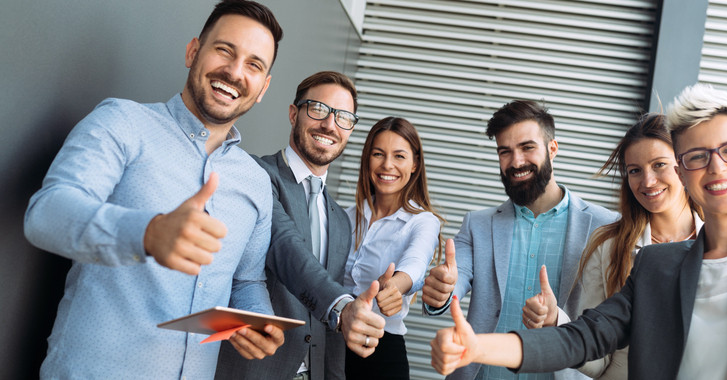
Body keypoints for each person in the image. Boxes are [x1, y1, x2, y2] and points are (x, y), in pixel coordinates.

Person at [430, 84, 727, 379]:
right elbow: (584, 338)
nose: (716, 167)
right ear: (685, 172)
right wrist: (478, 348)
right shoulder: (656, 265)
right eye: (697, 157)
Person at [23, 1, 286, 378]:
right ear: (193, 52)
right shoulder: (122, 122)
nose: (234, 71)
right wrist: (148, 233)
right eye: (224, 50)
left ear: (263, 88)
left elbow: (246, 279)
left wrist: (256, 320)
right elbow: (45, 214)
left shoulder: (256, 182)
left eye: (254, 65)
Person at [421, 100, 617, 380]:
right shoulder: (478, 225)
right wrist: (441, 290)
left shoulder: (605, 225)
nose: (516, 162)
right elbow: (454, 277)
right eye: (505, 152)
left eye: (527, 147)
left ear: (552, 149)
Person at [216, 71, 385, 380]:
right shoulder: (256, 174)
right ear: (294, 113)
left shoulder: (340, 218)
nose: (330, 125)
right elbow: (287, 249)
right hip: (256, 368)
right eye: (318, 109)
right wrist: (342, 307)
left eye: (343, 117)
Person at [521, 113, 703, 380]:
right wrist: (556, 322)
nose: (648, 181)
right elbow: (599, 361)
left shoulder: (721, 244)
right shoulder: (608, 248)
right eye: (635, 171)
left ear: (683, 165)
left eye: (659, 164)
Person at [342, 117, 444, 379]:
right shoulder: (343, 216)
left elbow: (416, 264)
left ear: (414, 165)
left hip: (382, 351)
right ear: (367, 159)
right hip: (330, 344)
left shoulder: (423, 222)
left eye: (399, 156)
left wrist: (395, 287)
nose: (387, 165)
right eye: (378, 154)